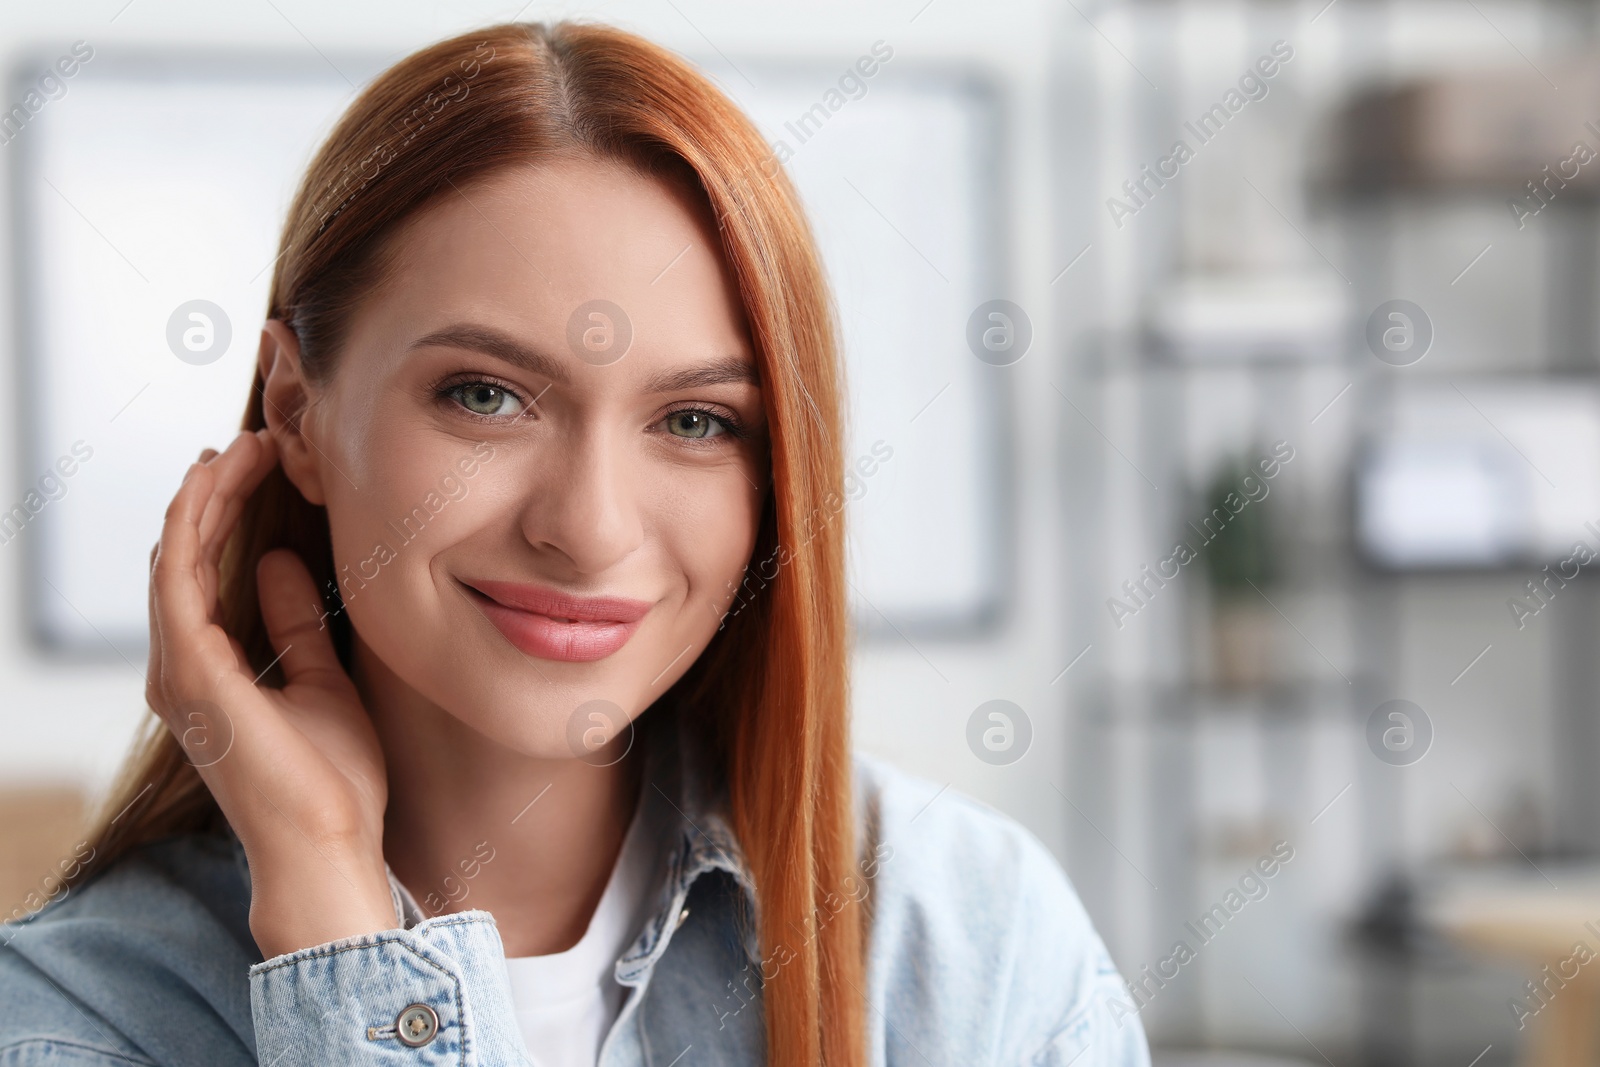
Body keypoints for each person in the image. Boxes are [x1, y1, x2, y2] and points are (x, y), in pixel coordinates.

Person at [0, 20, 1148, 1067]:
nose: (590, 526)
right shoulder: (75, 1019)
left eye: (695, 420)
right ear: (297, 412)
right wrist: (332, 916)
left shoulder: (967, 943)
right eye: (485, 396)